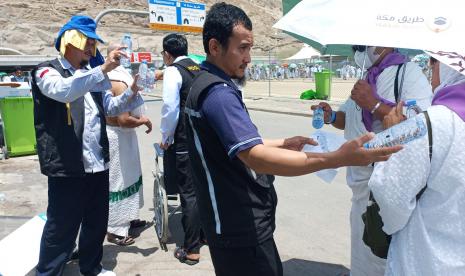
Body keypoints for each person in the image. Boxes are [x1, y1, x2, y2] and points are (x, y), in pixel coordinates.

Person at [183, 3, 402, 276]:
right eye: (242, 48)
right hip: (239, 227)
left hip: (228, 221)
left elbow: (235, 144)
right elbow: (257, 159)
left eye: (250, 48)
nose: (249, 58)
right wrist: (339, 158)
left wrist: (282, 143)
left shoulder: (204, 83)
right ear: (215, 47)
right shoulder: (219, 95)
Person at [31, 16, 144, 276]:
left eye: (94, 43)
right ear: (72, 41)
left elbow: (111, 108)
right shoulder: (47, 71)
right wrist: (102, 69)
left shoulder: (91, 75)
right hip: (67, 165)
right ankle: (48, 272)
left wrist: (132, 91)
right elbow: (63, 91)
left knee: (95, 222)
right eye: (88, 42)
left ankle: (91, 267)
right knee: (62, 226)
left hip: (97, 163)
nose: (92, 48)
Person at [311, 46, 432, 275]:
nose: (359, 50)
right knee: (362, 255)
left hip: (388, 186)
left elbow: (418, 125)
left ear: (383, 43)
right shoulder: (366, 76)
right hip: (359, 185)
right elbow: (348, 118)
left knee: (384, 255)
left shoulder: (408, 73)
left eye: (362, 44)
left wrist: (373, 103)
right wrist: (331, 116)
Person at [369, 52, 465, 275]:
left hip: (426, 261)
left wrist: (394, 133)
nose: (431, 71)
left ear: (449, 65)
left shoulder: (430, 124)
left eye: (433, 61)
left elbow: (390, 197)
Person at [158, 33, 204, 265]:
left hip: (184, 139)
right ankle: (206, 236)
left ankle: (191, 248)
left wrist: (166, 136)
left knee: (189, 193)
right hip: (205, 139)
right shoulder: (200, 68)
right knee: (204, 188)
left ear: (167, 54)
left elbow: (170, 108)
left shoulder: (173, 71)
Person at [105, 43, 152, 246]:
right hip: (118, 138)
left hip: (124, 138)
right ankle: (115, 229)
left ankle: (129, 218)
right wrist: (144, 121)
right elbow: (123, 119)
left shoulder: (119, 76)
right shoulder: (117, 82)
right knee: (120, 182)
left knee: (131, 178)